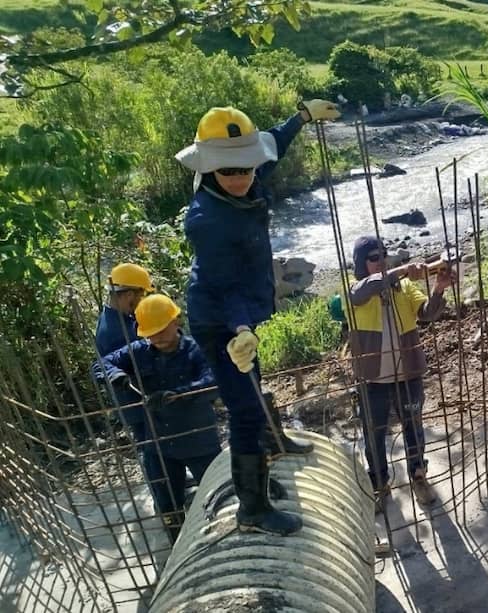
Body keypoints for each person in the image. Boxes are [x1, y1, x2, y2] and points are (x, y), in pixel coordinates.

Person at [174, 100, 340, 536]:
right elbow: (223, 285)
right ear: (209, 169)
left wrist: (302, 117)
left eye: (246, 168)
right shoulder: (207, 220)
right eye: (230, 171)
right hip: (219, 321)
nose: (241, 177)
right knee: (244, 411)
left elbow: (272, 146)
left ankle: (272, 450)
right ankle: (252, 508)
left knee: (254, 385)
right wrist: (241, 328)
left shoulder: (245, 177)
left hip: (241, 311)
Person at [95, 294, 220, 542]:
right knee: (167, 507)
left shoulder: (196, 351)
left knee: (219, 494)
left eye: (162, 329)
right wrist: (114, 374)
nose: (157, 337)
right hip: (159, 444)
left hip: (199, 441)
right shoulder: (139, 351)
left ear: (176, 320)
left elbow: (212, 382)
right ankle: (177, 545)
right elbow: (101, 363)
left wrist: (177, 395)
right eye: (151, 333)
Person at [345, 236, 455, 509]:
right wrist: (403, 270)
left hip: (408, 374)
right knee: (374, 434)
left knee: (413, 427)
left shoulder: (403, 287)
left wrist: (439, 289)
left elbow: (427, 314)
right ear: (360, 263)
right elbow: (366, 289)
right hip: (372, 379)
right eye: (374, 257)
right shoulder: (355, 291)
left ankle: (418, 476)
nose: (381, 261)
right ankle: (379, 483)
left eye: (383, 255)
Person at [95, 263, 154, 356]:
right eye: (140, 296)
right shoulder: (119, 335)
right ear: (129, 295)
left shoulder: (110, 315)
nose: (141, 301)